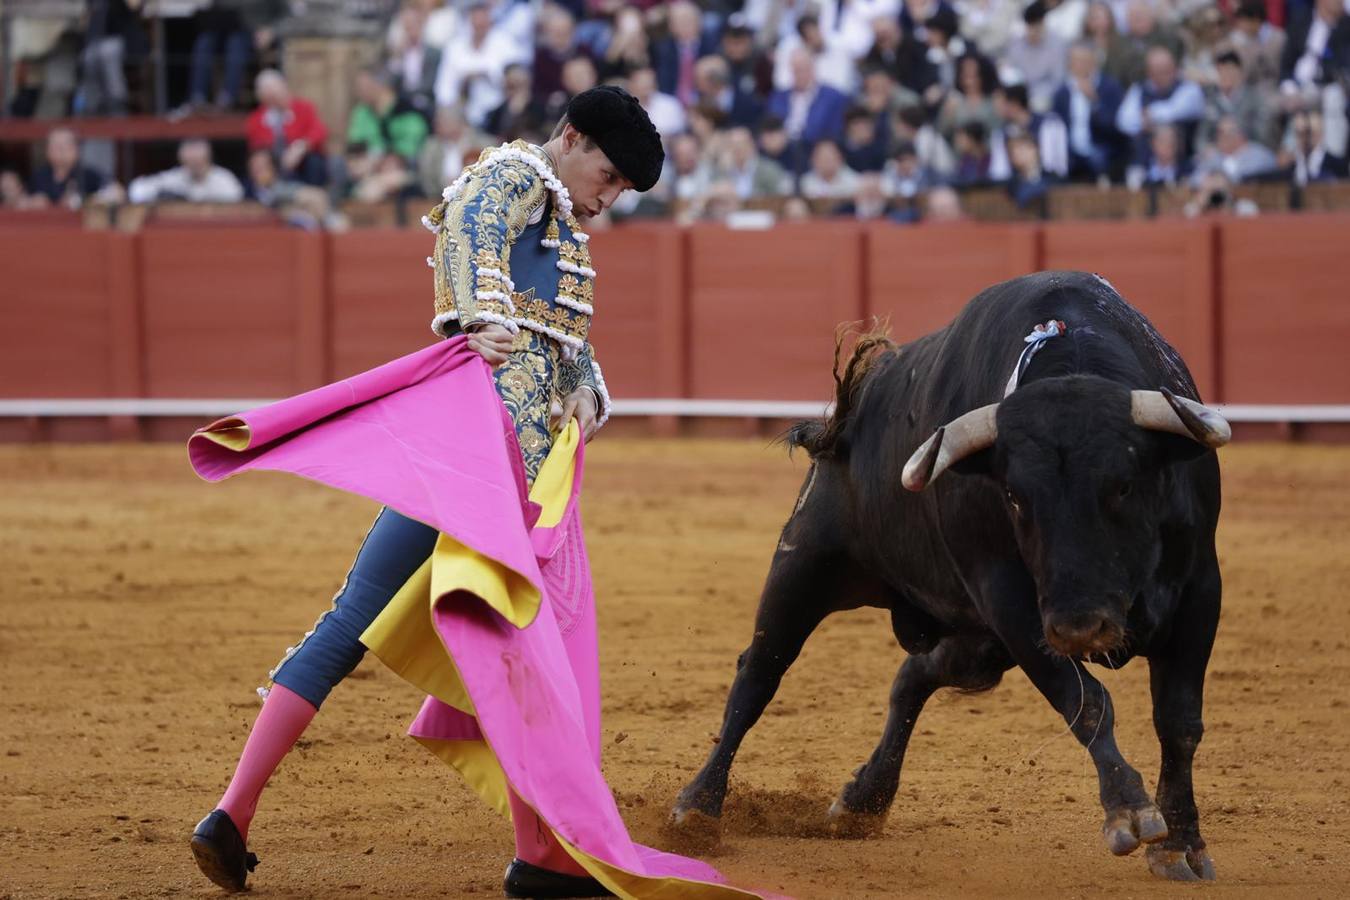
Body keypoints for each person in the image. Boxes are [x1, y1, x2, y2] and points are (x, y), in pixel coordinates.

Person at [189, 85, 665, 897]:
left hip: (492, 464)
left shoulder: (560, 226)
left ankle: (230, 816)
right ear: (571, 136)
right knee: (521, 646)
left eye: (622, 189)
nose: (609, 197)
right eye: (609, 175)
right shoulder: (518, 176)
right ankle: (539, 860)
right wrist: (475, 319)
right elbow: (469, 225)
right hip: (484, 463)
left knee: (361, 625)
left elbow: (565, 341)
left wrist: (587, 389)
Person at [246, 70, 329, 186]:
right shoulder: (256, 119)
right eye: (271, 95)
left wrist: (300, 147)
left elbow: (319, 131)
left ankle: (314, 193)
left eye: (278, 92)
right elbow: (257, 148)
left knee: (315, 162)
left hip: (302, 161)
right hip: (274, 164)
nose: (277, 98)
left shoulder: (303, 107)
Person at [127, 139, 245, 204]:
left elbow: (236, 196)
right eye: (190, 161)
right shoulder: (174, 177)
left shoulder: (223, 178)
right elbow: (137, 191)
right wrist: (166, 195)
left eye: (199, 161)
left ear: (208, 158)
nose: (195, 164)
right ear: (182, 160)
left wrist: (191, 198)